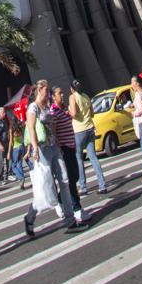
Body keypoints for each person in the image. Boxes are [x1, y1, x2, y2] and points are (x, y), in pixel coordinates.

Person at [23, 79, 88, 237]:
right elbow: (30, 127)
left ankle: (70, 221)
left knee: (64, 181)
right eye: (46, 91)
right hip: (43, 150)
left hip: (55, 148)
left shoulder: (46, 107)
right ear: (40, 90)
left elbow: (53, 127)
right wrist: (35, 147)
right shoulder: (33, 107)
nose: (48, 94)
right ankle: (30, 218)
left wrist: (58, 143)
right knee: (45, 188)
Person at [51, 86, 91, 223]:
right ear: (53, 97)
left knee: (74, 177)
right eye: (59, 93)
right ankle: (77, 209)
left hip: (71, 147)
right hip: (64, 150)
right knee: (71, 181)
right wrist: (59, 150)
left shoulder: (64, 109)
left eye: (62, 93)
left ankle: (60, 201)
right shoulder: (54, 112)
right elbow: (54, 132)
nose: (62, 95)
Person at [68, 79, 107, 195]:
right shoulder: (86, 96)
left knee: (79, 158)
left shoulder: (72, 97)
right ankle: (102, 185)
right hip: (90, 128)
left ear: (72, 89)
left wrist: (69, 111)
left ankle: (83, 187)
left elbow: (74, 114)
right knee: (93, 157)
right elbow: (92, 114)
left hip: (79, 130)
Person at [0, 107, 12, 185]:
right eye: (3, 112)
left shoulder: (4, 121)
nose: (5, 113)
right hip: (0, 144)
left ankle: (9, 174)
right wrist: (0, 145)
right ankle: (1, 179)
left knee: (9, 159)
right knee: (1, 162)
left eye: (5, 112)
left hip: (6, 142)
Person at [10, 118, 29, 190]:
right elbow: (23, 138)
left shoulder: (12, 130)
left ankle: (21, 178)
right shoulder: (20, 129)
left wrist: (9, 152)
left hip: (16, 148)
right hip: (22, 147)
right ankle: (22, 184)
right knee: (19, 164)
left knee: (13, 166)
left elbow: (11, 142)